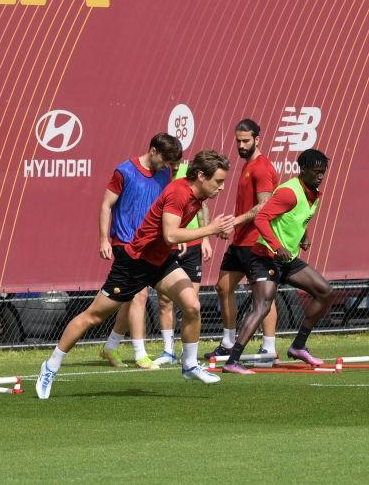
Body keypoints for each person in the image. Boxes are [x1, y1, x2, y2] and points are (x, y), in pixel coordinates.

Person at [36, 151, 236, 399]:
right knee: (93, 317)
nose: (222, 187)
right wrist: (211, 230)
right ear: (201, 176)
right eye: (218, 181)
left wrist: (213, 231)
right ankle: (51, 366)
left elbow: (172, 236)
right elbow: (171, 235)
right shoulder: (179, 192)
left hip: (162, 261)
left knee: (192, 306)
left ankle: (189, 365)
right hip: (135, 263)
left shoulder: (198, 196)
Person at [222, 149, 334, 374]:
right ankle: (232, 360)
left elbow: (293, 219)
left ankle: (298, 346)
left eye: (323, 172)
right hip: (265, 257)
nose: (321, 176)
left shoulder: (312, 193)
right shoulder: (288, 192)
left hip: (288, 260)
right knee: (262, 306)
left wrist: (303, 236)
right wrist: (276, 245)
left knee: (325, 292)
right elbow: (262, 218)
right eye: (317, 172)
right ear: (304, 170)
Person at [97, 134, 182, 369]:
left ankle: (111, 347)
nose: (167, 166)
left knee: (128, 297)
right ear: (153, 150)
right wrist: (104, 239)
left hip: (151, 245)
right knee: (140, 295)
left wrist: (176, 233)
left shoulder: (166, 173)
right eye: (164, 159)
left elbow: (168, 208)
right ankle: (140, 354)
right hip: (125, 242)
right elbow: (106, 205)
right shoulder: (124, 171)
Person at [207, 119, 279, 360]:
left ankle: (269, 347)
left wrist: (234, 222)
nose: (241, 145)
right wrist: (233, 226)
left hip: (258, 242)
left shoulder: (262, 167)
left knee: (263, 296)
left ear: (258, 139)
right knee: (223, 287)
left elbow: (265, 205)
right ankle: (228, 342)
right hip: (240, 241)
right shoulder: (247, 166)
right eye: (238, 141)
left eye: (246, 140)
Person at [153, 157, 213, 366]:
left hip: (193, 243)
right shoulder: (161, 174)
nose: (174, 163)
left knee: (192, 304)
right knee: (164, 301)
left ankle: (189, 357)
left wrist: (205, 238)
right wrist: (176, 236)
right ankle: (168, 350)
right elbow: (168, 225)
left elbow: (202, 207)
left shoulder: (194, 174)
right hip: (169, 244)